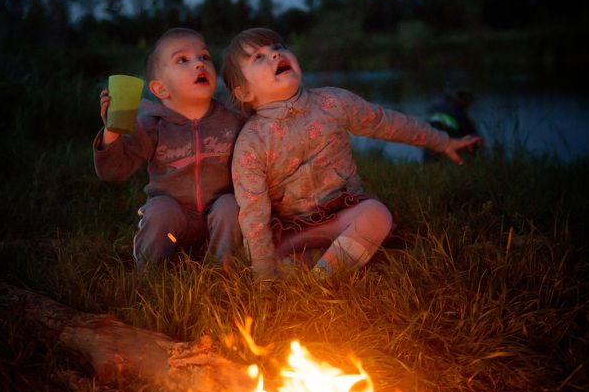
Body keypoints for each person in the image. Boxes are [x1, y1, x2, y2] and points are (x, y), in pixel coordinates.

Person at [221, 27, 481, 281]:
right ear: (245, 92)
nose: (275, 54)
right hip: (294, 232)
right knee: (267, 253)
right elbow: (254, 212)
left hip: (344, 217)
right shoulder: (251, 141)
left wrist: (442, 141)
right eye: (259, 57)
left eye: (278, 47)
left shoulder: (332, 103)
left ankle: (320, 281)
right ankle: (326, 262)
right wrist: (265, 278)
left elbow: (386, 123)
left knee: (377, 215)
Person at [94, 27, 245, 273]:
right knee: (160, 209)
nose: (199, 64)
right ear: (160, 89)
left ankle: (223, 270)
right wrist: (112, 131)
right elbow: (113, 171)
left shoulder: (232, 120)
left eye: (204, 56)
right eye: (182, 60)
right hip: (174, 222)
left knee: (230, 204)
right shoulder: (152, 125)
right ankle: (149, 274)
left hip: (218, 221)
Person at [423, 91, 479, 163]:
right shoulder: (460, 113)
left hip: (431, 127)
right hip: (448, 129)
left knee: (430, 155)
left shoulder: (440, 105)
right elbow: (471, 137)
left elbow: (430, 112)